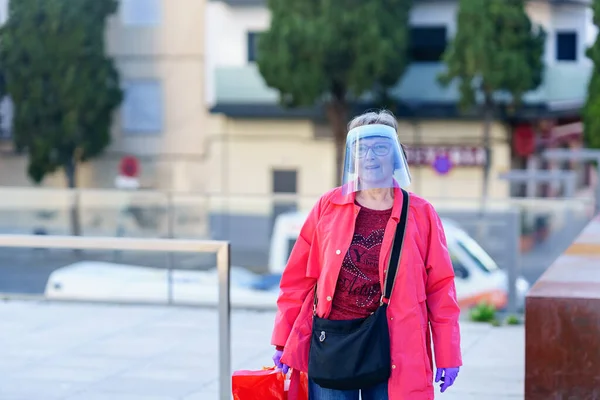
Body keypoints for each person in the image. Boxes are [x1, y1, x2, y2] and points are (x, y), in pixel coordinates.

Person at [271, 110, 462, 400]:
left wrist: (448, 353)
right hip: (333, 344)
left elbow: (440, 289)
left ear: (397, 154)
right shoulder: (328, 206)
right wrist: (283, 340)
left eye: (380, 147)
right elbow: (297, 280)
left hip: (395, 348)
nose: (370, 156)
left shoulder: (421, 214)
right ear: (353, 156)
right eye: (362, 148)